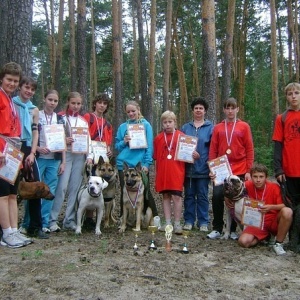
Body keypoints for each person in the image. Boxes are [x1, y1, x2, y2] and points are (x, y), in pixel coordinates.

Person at [207, 97, 254, 240]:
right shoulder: (218, 127)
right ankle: (217, 228)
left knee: (236, 199)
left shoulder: (244, 126)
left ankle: (232, 230)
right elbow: (213, 149)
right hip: (221, 170)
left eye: (233, 108)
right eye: (227, 108)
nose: (230, 111)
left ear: (237, 109)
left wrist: (248, 170)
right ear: (223, 110)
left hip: (239, 169)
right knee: (217, 196)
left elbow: (249, 149)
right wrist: (211, 169)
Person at [49, 92, 93, 232]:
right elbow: (53, 137)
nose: (75, 106)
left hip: (79, 156)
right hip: (65, 155)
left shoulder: (82, 121)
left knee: (75, 189)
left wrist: (90, 156)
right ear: (68, 102)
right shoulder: (60, 117)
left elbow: (88, 140)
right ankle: (52, 220)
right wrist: (64, 140)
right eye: (73, 103)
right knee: (61, 187)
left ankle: (69, 219)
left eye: (78, 104)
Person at [0, 62, 32, 248]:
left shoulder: (11, 100)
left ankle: (13, 229)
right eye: (9, 80)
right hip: (2, 151)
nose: (12, 83)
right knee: (2, 194)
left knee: (13, 194)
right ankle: (5, 232)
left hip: (12, 150)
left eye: (15, 81)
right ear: (2, 79)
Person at [13, 77, 49, 239]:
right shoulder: (11, 103)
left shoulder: (34, 110)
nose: (29, 91)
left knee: (35, 187)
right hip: (12, 146)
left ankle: (36, 226)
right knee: (9, 188)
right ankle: (8, 227)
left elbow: (35, 132)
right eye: (26, 88)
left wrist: (33, 153)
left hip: (28, 148)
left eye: (32, 89)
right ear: (20, 87)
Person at [236, 163, 293, 255]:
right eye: (255, 176)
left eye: (261, 177)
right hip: (256, 221)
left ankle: (278, 243)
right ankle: (265, 237)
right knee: (243, 242)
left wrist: (271, 207)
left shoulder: (274, 187)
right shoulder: (247, 185)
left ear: (266, 177)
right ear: (251, 177)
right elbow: (234, 189)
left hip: (272, 219)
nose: (258, 180)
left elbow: (286, 204)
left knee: (287, 211)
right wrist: (227, 199)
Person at [115, 100, 157, 219]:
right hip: (124, 163)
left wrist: (147, 164)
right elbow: (117, 146)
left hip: (140, 165)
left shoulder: (146, 125)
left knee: (145, 192)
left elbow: (149, 145)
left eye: (133, 111)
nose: (131, 113)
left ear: (138, 110)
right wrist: (124, 141)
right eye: (128, 111)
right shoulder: (123, 127)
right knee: (125, 192)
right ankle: (124, 219)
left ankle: (153, 218)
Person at [181, 97, 213, 231]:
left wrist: (210, 166)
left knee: (202, 196)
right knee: (188, 196)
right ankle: (189, 220)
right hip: (188, 169)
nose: (198, 110)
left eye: (201, 108)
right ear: (192, 111)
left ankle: (203, 222)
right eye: (196, 108)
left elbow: (213, 149)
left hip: (203, 169)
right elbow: (180, 146)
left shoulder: (211, 128)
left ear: (205, 111)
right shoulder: (185, 127)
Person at [36, 90, 65, 233]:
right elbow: (31, 136)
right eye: (50, 100)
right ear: (44, 99)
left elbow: (62, 142)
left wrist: (63, 162)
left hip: (54, 160)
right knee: (34, 189)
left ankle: (45, 222)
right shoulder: (37, 115)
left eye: (55, 101)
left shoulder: (59, 119)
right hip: (39, 158)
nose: (52, 103)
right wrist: (37, 148)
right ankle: (30, 222)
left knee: (50, 191)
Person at [83, 93, 113, 226]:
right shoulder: (88, 118)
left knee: (98, 187)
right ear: (95, 103)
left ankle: (97, 219)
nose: (102, 105)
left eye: (105, 103)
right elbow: (83, 137)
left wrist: (109, 150)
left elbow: (108, 142)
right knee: (88, 185)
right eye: (99, 102)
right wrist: (88, 156)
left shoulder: (107, 123)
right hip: (89, 156)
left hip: (101, 159)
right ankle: (86, 217)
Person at [153, 110, 185, 234]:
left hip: (177, 171)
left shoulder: (182, 137)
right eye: (165, 122)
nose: (167, 124)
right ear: (162, 124)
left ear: (175, 122)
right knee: (165, 196)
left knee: (176, 197)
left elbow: (187, 155)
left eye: (170, 122)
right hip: (163, 172)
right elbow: (156, 157)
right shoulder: (158, 138)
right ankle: (167, 222)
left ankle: (177, 223)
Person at [272, 82, 300, 205]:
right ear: (286, 97)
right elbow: (277, 145)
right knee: (291, 206)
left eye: (297, 93)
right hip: (289, 170)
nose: (293, 96)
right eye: (290, 94)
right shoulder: (281, 118)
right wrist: (278, 169)